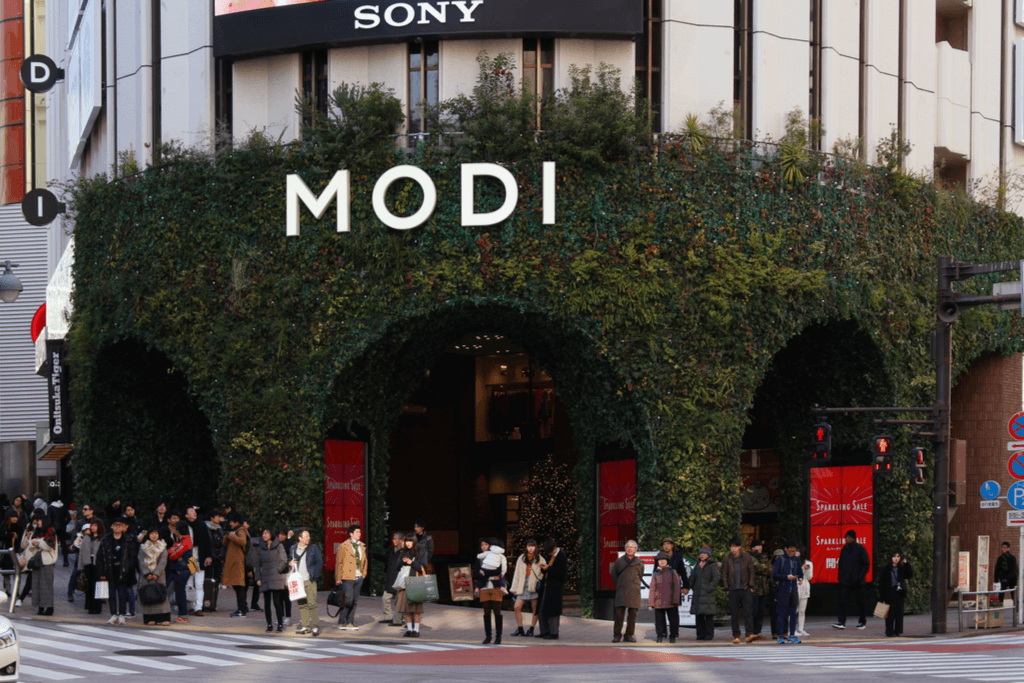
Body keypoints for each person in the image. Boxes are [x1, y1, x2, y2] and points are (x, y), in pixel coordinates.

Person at [96, 516, 139, 623]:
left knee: (122, 594)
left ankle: (122, 614)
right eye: (115, 525)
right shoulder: (106, 539)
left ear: (124, 527)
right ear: (111, 526)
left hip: (123, 571)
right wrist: (101, 572)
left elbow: (132, 557)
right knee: (111, 595)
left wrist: (129, 569)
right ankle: (113, 614)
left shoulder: (128, 539)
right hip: (109, 570)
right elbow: (100, 557)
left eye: (120, 525)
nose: (117, 527)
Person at [21, 511, 58, 616]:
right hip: (36, 561)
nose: (38, 523)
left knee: (46, 585)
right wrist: (34, 542)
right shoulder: (36, 532)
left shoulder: (52, 532)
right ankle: (40, 607)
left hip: (47, 561)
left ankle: (49, 607)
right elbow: (30, 545)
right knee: (37, 585)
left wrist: (38, 543)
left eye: (40, 521)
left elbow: (48, 546)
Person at [833, 530, 870, 630]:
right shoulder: (845, 548)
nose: (847, 539)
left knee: (861, 602)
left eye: (849, 537)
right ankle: (841, 622)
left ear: (854, 538)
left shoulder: (860, 549)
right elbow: (841, 563)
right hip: (846, 580)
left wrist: (859, 576)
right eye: (846, 537)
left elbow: (866, 564)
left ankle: (862, 622)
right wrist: (840, 577)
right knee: (843, 601)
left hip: (858, 581)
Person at [721, 536, 755, 644]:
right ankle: (736, 635)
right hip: (733, 589)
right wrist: (727, 588)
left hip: (745, 588)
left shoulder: (747, 557)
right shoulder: (727, 559)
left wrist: (751, 586)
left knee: (747, 612)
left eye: (735, 546)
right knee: (734, 614)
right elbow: (724, 574)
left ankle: (749, 634)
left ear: (740, 547)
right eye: (731, 547)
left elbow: (752, 572)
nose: (733, 549)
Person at [289, 529, 323, 636]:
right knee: (302, 605)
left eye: (309, 536)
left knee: (312, 604)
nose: (308, 538)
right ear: (300, 538)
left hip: (309, 580)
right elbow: (289, 561)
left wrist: (315, 574)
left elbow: (319, 561)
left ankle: (316, 627)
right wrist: (289, 563)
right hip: (298, 581)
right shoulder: (293, 549)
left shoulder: (313, 548)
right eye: (306, 536)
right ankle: (305, 626)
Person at [334, 523, 368, 630]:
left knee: (355, 601)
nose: (359, 534)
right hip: (347, 576)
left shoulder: (362, 545)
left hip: (359, 577)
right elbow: (339, 562)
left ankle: (350, 622)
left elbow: (365, 561)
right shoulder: (343, 546)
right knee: (348, 599)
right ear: (351, 534)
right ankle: (342, 621)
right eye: (357, 532)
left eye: (359, 532)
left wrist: (364, 574)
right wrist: (338, 578)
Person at [255, 527, 288, 632]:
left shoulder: (279, 545)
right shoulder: (260, 548)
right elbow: (257, 564)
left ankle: (280, 624)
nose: (264, 535)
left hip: (276, 577)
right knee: (266, 603)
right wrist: (258, 578)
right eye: (263, 533)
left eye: (266, 533)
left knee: (277, 602)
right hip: (265, 577)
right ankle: (269, 624)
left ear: (271, 535)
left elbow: (284, 560)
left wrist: (277, 570)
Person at [510, 538, 546, 637]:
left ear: (536, 547)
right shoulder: (521, 558)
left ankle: (531, 629)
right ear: (526, 547)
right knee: (517, 607)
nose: (531, 548)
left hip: (533, 585)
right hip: (522, 584)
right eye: (529, 546)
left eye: (533, 546)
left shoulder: (540, 558)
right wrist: (515, 588)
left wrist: (537, 580)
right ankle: (520, 628)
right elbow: (516, 574)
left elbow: (543, 574)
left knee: (535, 609)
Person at [611, 540, 643, 643]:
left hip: (634, 591)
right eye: (628, 547)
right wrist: (620, 585)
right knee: (619, 614)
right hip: (622, 591)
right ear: (625, 549)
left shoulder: (639, 562)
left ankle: (629, 635)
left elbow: (640, 576)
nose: (630, 549)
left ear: (636, 550)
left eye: (632, 547)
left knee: (632, 615)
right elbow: (613, 575)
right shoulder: (619, 561)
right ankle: (617, 635)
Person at [394, 533, 425, 638]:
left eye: (410, 541)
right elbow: (397, 567)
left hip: (415, 583)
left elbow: (422, 567)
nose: (408, 543)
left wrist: (411, 562)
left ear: (414, 542)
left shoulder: (420, 553)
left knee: (416, 609)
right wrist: (402, 562)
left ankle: (416, 630)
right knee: (406, 609)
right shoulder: (403, 552)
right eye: (407, 541)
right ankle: (409, 629)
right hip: (404, 583)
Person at [772, 540, 804, 644]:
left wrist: (800, 578)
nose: (792, 553)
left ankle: (792, 635)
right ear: (786, 549)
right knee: (782, 614)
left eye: (794, 551)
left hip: (794, 590)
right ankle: (781, 635)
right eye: (790, 551)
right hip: (783, 590)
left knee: (793, 613)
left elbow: (800, 572)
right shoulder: (780, 560)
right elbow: (774, 574)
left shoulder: (796, 560)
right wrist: (786, 577)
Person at [138, 527, 171, 625]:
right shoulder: (143, 547)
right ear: (148, 534)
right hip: (146, 576)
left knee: (161, 595)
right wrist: (147, 573)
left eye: (156, 533)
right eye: (152, 533)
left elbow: (163, 561)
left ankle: (165, 618)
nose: (154, 535)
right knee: (148, 596)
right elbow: (140, 561)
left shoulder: (162, 546)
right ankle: (149, 618)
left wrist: (156, 573)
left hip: (159, 575)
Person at [536, 538, 567, 639]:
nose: (548, 554)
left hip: (555, 588)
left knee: (553, 611)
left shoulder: (561, 556)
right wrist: (543, 568)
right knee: (542, 609)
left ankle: (554, 633)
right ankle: (544, 631)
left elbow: (561, 574)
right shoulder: (550, 556)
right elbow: (548, 570)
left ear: (554, 548)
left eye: (550, 551)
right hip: (546, 586)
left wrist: (548, 568)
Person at [184, 506, 212, 617]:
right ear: (186, 515)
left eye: (194, 511)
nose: (194, 513)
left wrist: (209, 556)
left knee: (199, 584)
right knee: (189, 584)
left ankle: (198, 607)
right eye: (191, 511)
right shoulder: (184, 526)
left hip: (199, 558)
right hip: (189, 559)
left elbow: (208, 542)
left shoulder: (202, 525)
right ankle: (190, 606)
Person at [877, 550, 913, 637]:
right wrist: (881, 597)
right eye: (894, 556)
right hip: (889, 592)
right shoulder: (886, 569)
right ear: (891, 558)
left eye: (898, 557)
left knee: (899, 613)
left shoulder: (902, 568)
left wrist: (907, 564)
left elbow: (909, 575)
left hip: (899, 592)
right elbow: (881, 583)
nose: (896, 559)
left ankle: (898, 631)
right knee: (890, 613)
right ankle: (889, 631)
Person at [648, 551, 681, 643]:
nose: (662, 562)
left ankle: (673, 635)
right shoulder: (655, 573)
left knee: (673, 620)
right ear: (657, 562)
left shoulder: (672, 572)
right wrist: (651, 602)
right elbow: (652, 588)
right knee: (659, 621)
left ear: (667, 561)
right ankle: (660, 635)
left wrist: (675, 600)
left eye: (664, 560)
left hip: (671, 601)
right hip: (658, 601)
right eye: (660, 560)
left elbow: (677, 586)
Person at [375, 532, 405, 627]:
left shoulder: (404, 552)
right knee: (385, 598)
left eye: (396, 539)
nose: (393, 541)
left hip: (399, 579)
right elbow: (385, 559)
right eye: (393, 539)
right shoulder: (392, 551)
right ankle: (388, 617)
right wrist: (375, 555)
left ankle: (400, 619)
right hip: (390, 578)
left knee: (399, 601)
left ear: (401, 540)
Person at [690, 545, 719, 641]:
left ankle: (709, 635)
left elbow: (716, 578)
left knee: (708, 616)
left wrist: (709, 588)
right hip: (698, 594)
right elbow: (692, 577)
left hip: (708, 594)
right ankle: (700, 634)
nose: (702, 555)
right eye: (701, 553)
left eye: (704, 553)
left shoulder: (712, 565)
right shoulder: (697, 565)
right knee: (699, 616)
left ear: (708, 555)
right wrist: (688, 586)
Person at [223, 512, 250, 617]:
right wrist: (227, 536)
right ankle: (242, 608)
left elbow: (243, 542)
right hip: (234, 563)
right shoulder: (235, 531)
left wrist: (232, 536)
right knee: (237, 586)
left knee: (239, 587)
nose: (230, 524)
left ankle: (242, 609)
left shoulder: (241, 530)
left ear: (236, 522)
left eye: (231, 522)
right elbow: (224, 543)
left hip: (238, 563)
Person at [166, 521, 194, 623]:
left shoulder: (186, 541)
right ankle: (181, 615)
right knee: (174, 591)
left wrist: (174, 552)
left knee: (180, 593)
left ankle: (183, 615)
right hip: (178, 570)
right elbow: (171, 552)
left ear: (178, 531)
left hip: (182, 570)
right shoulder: (181, 541)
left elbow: (172, 554)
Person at [77, 520, 105, 614]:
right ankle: (89, 606)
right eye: (92, 525)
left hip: (99, 564)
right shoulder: (87, 538)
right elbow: (81, 553)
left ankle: (97, 607)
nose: (93, 527)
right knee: (89, 586)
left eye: (95, 525)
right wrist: (80, 566)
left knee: (98, 586)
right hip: (88, 564)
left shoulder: (102, 539)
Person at [749, 538, 772, 640]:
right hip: (754, 588)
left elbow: (770, 569)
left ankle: (758, 632)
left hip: (763, 589)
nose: (760, 548)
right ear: (753, 547)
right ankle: (750, 632)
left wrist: (763, 568)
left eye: (761, 546)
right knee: (753, 611)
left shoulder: (763, 556)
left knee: (761, 612)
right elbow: (756, 567)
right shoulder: (749, 557)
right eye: (758, 546)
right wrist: (764, 568)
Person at [795, 546, 813, 637]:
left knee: (802, 610)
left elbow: (810, 577)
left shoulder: (809, 563)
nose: (796, 553)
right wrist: (802, 568)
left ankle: (801, 629)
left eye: (798, 551)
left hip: (805, 587)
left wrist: (807, 569)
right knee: (795, 609)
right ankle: (793, 629)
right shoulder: (794, 562)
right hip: (796, 586)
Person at [768, 548, 784, 638]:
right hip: (774, 589)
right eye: (778, 556)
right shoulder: (771, 565)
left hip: (783, 589)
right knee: (774, 612)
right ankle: (775, 632)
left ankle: (784, 632)